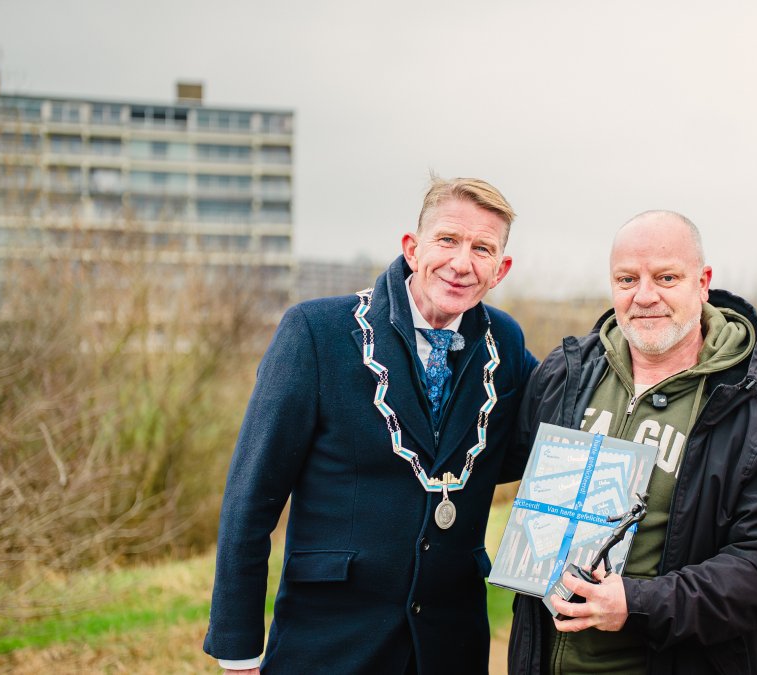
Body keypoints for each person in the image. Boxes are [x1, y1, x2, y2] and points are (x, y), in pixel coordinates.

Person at [203, 177, 538, 674]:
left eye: (482, 248)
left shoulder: (504, 342)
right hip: (330, 640)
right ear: (412, 247)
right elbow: (251, 497)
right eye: (447, 240)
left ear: (501, 269)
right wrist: (238, 650)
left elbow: (529, 443)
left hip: (451, 644)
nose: (462, 262)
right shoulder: (316, 333)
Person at [507, 211, 757, 674]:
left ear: (703, 282)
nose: (644, 296)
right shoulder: (564, 376)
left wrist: (637, 602)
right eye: (627, 278)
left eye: (666, 277)